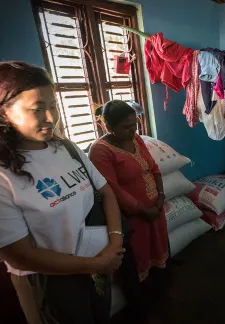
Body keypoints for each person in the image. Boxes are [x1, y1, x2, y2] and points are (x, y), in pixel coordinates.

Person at [0, 62, 124, 324]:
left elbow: (105, 192)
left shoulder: (65, 149)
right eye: (38, 109)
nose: (51, 118)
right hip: (51, 283)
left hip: (97, 263)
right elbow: (21, 255)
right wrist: (93, 265)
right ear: (2, 113)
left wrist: (115, 244)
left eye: (53, 106)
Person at [88, 100, 169, 299]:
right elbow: (112, 189)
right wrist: (143, 209)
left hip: (155, 211)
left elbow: (154, 169)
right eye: (126, 126)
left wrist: (160, 198)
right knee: (137, 260)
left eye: (135, 124)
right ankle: (142, 306)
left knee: (159, 251)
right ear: (108, 126)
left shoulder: (136, 139)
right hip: (132, 218)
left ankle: (161, 293)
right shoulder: (100, 151)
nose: (133, 130)